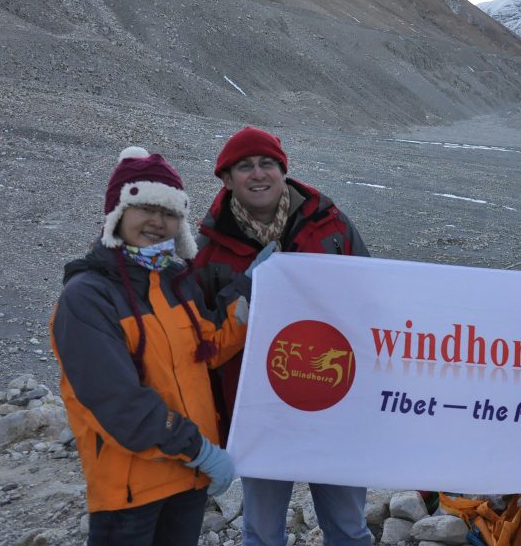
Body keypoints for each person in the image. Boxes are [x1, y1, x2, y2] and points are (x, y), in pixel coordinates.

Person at [49, 147, 248, 545]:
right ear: (118, 213)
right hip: (130, 492)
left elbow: (205, 352)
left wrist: (246, 300)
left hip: (188, 482)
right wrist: (202, 452)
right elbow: (119, 401)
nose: (158, 222)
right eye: (146, 208)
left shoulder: (175, 281)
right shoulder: (88, 295)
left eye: (170, 212)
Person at [194, 126, 373, 546]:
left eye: (267, 163)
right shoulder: (209, 246)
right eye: (245, 166)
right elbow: (201, 336)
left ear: (283, 170)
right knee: (261, 531)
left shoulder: (329, 225)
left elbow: (369, 299)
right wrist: (250, 288)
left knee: (349, 528)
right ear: (226, 178)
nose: (258, 174)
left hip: (334, 402)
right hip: (257, 410)